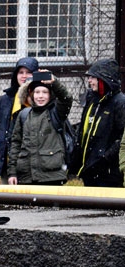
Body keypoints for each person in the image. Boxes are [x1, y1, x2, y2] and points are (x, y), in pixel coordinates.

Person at [7, 74, 74, 187]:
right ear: (32, 94)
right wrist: (12, 172)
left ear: (50, 94)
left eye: (45, 92)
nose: (40, 96)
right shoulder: (24, 115)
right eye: (37, 92)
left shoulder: (57, 112)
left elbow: (66, 98)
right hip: (26, 177)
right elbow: (15, 144)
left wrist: (54, 83)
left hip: (52, 176)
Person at [72, 59, 125, 187]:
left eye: (93, 77)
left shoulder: (119, 102)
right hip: (90, 171)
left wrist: (104, 159)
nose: (89, 81)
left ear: (104, 79)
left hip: (108, 174)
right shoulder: (92, 100)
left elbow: (121, 138)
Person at [0, 58, 38, 178]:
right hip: (6, 159)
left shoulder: (41, 98)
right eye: (21, 72)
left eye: (28, 72)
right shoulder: (5, 100)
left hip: (32, 162)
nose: (24, 76)